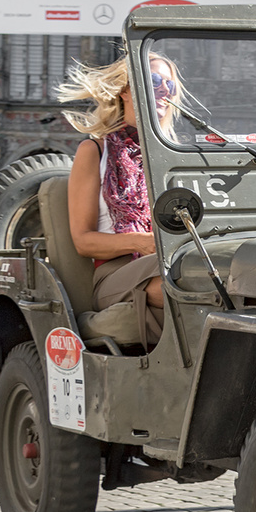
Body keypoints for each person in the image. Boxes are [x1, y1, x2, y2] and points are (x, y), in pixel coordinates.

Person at [57, 53, 185, 347]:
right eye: (154, 81)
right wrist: (141, 242)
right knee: (180, 276)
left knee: (197, 272)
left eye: (170, 84)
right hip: (115, 272)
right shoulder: (95, 151)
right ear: (125, 90)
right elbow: (83, 241)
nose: (165, 90)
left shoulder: (174, 157)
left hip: (169, 259)